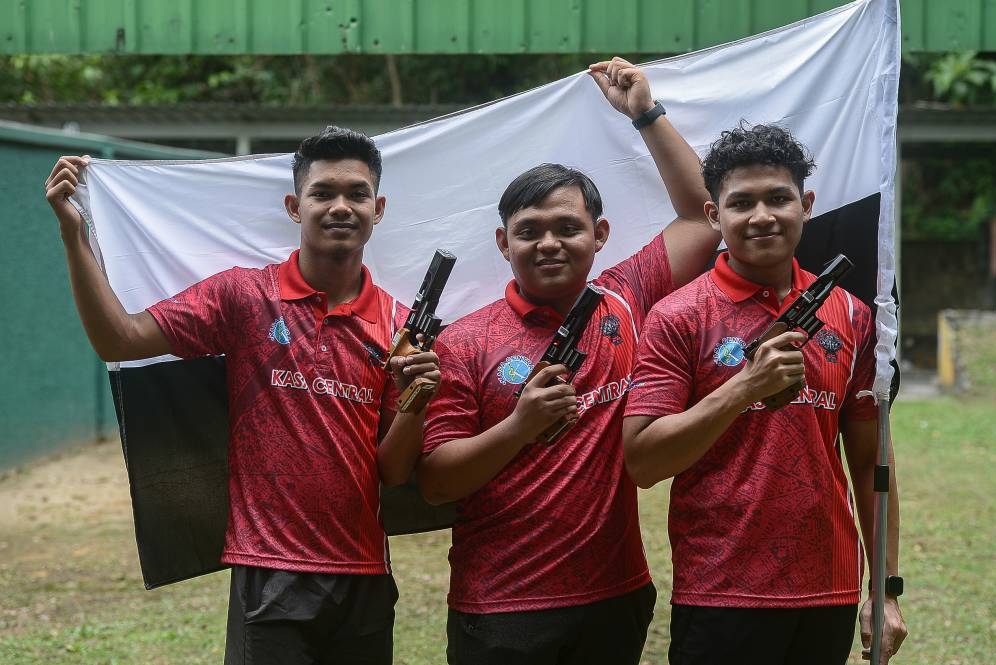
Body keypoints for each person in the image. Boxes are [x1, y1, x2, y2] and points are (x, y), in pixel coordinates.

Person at [43, 127, 440, 665]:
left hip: (367, 574)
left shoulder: (399, 327)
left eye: (357, 193)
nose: (340, 206)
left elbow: (393, 474)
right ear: (295, 207)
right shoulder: (243, 296)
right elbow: (122, 338)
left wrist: (413, 399)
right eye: (323, 193)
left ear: (380, 208)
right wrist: (74, 236)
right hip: (270, 569)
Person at [415, 57, 720, 664]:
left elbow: (702, 217)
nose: (548, 243)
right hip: (498, 608)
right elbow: (434, 481)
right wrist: (520, 426)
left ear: (599, 234)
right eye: (529, 231)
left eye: (567, 227)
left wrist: (645, 114)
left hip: (616, 595)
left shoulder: (625, 300)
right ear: (504, 243)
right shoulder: (464, 341)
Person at [621, 123, 908, 665]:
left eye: (778, 198)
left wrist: (885, 590)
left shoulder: (850, 314)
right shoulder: (678, 316)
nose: (761, 216)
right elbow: (643, 461)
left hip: (830, 590)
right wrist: (743, 388)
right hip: (719, 590)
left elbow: (872, 461)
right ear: (714, 216)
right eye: (741, 202)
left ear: (807, 205)